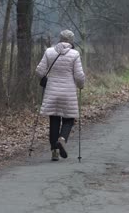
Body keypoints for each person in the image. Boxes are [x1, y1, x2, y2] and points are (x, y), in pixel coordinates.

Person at [36, 30, 85, 161]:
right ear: (71, 41)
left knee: (54, 120)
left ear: (60, 39)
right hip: (68, 92)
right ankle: (62, 139)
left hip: (52, 91)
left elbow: (39, 70)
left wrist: (45, 79)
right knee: (69, 119)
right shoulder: (74, 54)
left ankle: (54, 152)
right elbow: (79, 76)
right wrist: (81, 85)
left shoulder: (49, 52)